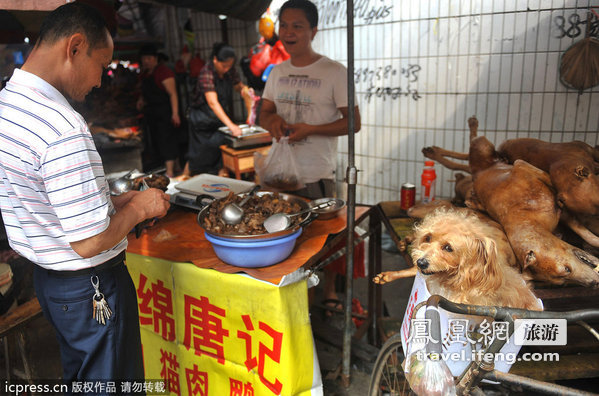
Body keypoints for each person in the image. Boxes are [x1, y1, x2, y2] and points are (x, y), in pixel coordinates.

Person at [0, 3, 170, 392]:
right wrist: (142, 206)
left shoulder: (9, 102)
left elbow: (45, 196)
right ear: (75, 47)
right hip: (90, 286)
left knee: (83, 381)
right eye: (102, 64)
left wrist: (116, 201)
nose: (100, 80)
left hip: (52, 283)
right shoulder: (62, 126)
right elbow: (89, 241)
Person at [259, 0, 361, 314]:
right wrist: (272, 121)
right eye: (284, 25)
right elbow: (264, 113)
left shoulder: (333, 71)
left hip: (318, 174)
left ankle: (327, 293)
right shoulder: (278, 71)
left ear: (313, 31)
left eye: (297, 26)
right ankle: (295, 297)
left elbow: (353, 122)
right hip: (281, 176)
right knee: (284, 238)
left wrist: (310, 129)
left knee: (324, 241)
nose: (288, 32)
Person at [184, 43, 252, 177]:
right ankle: (184, 177)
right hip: (201, 120)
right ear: (215, 59)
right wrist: (231, 125)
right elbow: (212, 102)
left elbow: (238, 86)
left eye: (229, 66)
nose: (227, 69)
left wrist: (246, 91)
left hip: (217, 119)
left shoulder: (229, 71)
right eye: (224, 66)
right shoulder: (206, 72)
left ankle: (220, 180)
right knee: (198, 155)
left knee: (219, 154)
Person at [137, 44, 181, 177]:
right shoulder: (145, 74)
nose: (146, 61)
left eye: (149, 58)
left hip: (165, 113)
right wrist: (141, 100)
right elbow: (144, 92)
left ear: (156, 58)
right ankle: (172, 168)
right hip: (152, 114)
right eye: (144, 59)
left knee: (166, 141)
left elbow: (173, 94)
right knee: (157, 141)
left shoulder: (164, 72)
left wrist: (175, 113)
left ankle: (170, 173)